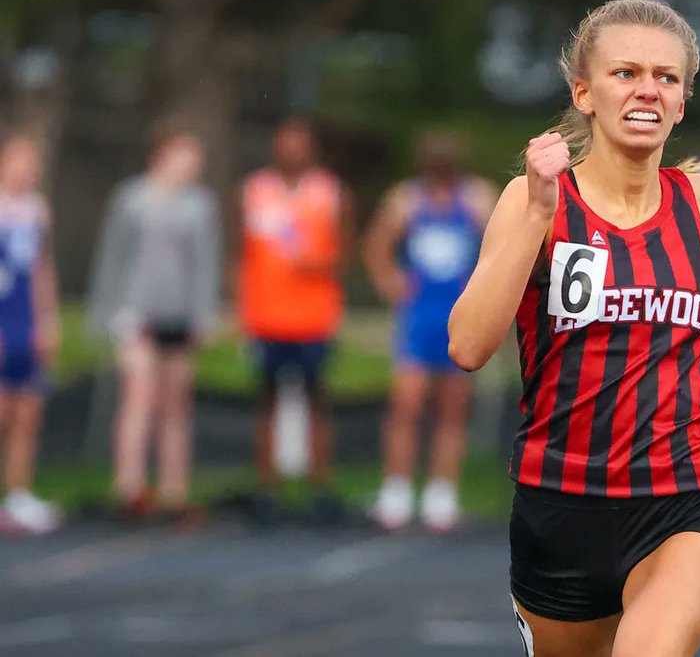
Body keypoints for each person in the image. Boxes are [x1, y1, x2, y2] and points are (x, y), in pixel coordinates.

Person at [447, 0, 700, 657]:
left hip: (684, 501)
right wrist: (537, 214)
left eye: (666, 77)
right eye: (626, 73)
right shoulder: (533, 201)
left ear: (682, 102)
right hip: (559, 509)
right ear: (584, 93)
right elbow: (467, 345)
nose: (647, 90)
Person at [363, 129, 495, 531]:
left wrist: (484, 290)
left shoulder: (476, 198)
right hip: (420, 315)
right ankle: (397, 489)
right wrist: (391, 282)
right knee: (407, 404)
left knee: (453, 407)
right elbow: (376, 245)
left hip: (458, 315)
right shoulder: (407, 199)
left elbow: (502, 246)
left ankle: (442, 491)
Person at [89, 124, 220, 525]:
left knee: (176, 404)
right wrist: (106, 313)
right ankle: (129, 486)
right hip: (137, 311)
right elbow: (113, 256)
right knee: (139, 397)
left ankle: (173, 489)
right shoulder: (132, 199)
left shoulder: (200, 205)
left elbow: (205, 263)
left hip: (178, 315)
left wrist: (203, 315)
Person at [236, 117, 353, 522]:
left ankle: (320, 486)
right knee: (265, 400)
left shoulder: (329, 192)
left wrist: (317, 264)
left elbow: (344, 253)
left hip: (313, 317)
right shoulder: (255, 191)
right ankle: (266, 487)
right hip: (266, 316)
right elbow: (239, 253)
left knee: (317, 400)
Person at [0, 134, 63, 535]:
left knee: (28, 413)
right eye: (19, 160)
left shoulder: (37, 210)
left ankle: (18, 494)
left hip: (26, 322)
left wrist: (47, 321)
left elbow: (42, 269)